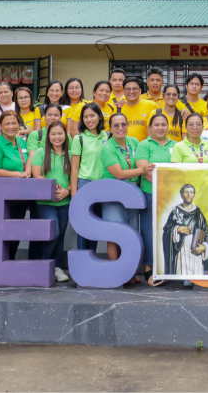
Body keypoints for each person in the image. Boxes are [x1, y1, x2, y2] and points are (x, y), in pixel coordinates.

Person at [100, 113, 150, 278]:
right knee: (115, 234)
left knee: (131, 235)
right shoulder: (107, 148)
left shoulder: (134, 142)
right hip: (114, 194)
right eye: (116, 125)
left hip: (132, 195)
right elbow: (119, 174)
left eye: (123, 124)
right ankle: (117, 273)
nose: (120, 128)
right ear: (110, 128)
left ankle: (129, 273)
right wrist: (142, 170)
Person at [0, 111, 31, 260]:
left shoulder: (21, 142)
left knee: (17, 231)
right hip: (4, 198)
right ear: (0, 126)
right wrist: (18, 174)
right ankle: (1, 263)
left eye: (14, 123)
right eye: (7, 123)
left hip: (21, 195)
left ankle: (11, 262)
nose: (11, 126)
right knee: (5, 233)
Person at [31, 121, 73, 283]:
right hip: (46, 202)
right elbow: (36, 175)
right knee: (52, 234)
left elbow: (75, 177)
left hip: (65, 201)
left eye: (60, 133)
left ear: (65, 135)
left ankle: (57, 267)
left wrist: (67, 191)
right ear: (48, 136)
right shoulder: (41, 152)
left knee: (61, 235)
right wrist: (52, 188)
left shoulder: (71, 154)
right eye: (53, 133)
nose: (57, 137)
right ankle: (45, 266)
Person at [135, 114, 172, 284]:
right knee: (150, 231)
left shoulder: (176, 145)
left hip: (171, 195)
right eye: (156, 125)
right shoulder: (144, 145)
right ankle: (149, 270)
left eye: (163, 124)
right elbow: (145, 171)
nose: (160, 128)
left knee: (169, 231)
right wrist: (165, 184)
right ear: (150, 128)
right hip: (150, 193)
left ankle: (168, 269)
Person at [71, 103, 108, 252]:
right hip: (85, 184)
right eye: (85, 117)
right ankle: (82, 258)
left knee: (96, 225)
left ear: (99, 117)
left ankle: (92, 258)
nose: (89, 119)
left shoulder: (108, 136)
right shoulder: (79, 138)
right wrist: (74, 193)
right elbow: (74, 168)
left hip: (103, 185)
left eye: (92, 115)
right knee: (84, 226)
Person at [160, 184, 208, 276]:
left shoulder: (198, 214)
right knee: (181, 274)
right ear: (181, 195)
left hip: (195, 252)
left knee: (196, 275)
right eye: (186, 192)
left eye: (191, 192)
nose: (189, 195)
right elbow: (166, 231)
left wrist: (204, 247)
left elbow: (206, 232)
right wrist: (177, 229)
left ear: (194, 195)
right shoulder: (176, 212)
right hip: (181, 251)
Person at [113, 77, 156, 142]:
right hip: (123, 147)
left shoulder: (151, 106)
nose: (131, 91)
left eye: (134, 89)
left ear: (140, 91)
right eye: (128, 89)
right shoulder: (118, 108)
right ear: (123, 91)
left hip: (145, 147)